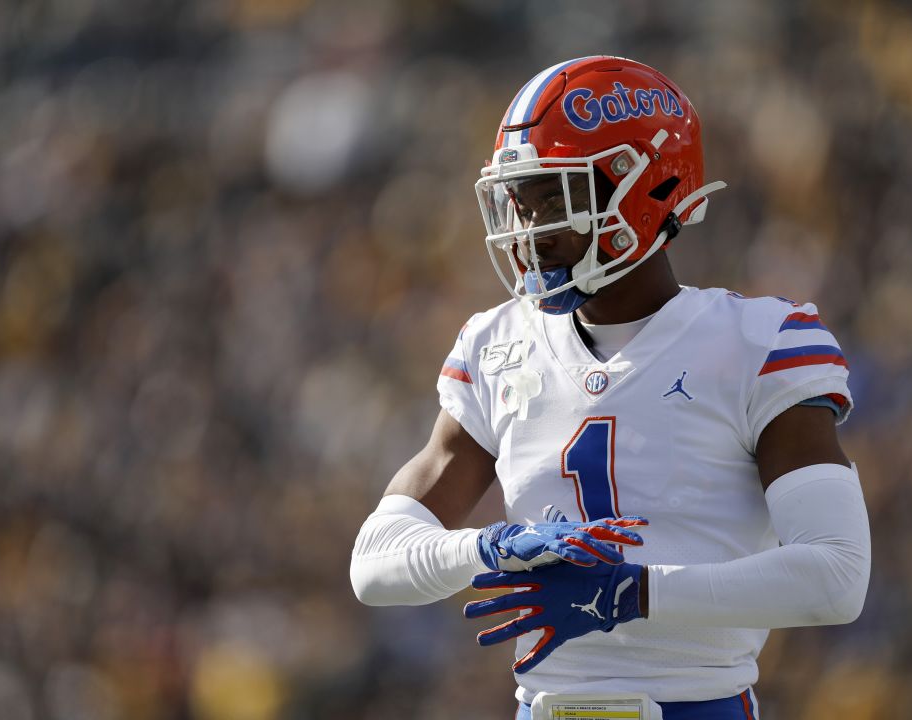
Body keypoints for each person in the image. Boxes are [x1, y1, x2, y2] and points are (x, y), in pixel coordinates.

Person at [350, 56, 871, 720]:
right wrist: (488, 546)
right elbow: (374, 564)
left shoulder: (759, 342)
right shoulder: (497, 345)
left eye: (553, 199)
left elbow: (836, 577)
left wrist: (633, 594)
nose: (528, 229)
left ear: (642, 188)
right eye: (519, 199)